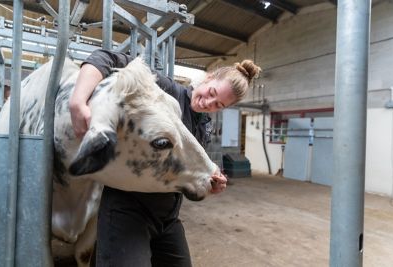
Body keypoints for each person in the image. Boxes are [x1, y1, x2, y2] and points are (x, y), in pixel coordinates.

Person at [69, 49, 261, 267]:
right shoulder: (165, 89)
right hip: (129, 209)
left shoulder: (204, 126)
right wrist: (78, 99)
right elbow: (109, 58)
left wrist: (211, 179)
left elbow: (187, 161)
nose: (209, 103)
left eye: (219, 105)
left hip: (168, 216)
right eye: (212, 92)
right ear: (208, 78)